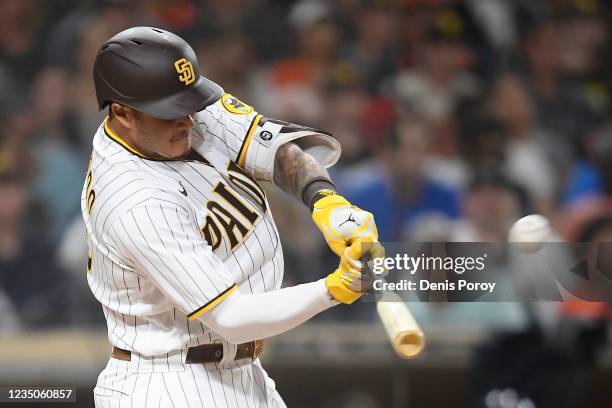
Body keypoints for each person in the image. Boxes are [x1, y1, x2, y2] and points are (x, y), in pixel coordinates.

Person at [85, 26, 382, 408]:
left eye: (188, 104)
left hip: (238, 370)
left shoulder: (177, 111)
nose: (189, 120)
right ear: (121, 112)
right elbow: (231, 316)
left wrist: (325, 201)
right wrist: (335, 288)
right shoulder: (133, 200)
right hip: (169, 382)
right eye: (170, 112)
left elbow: (276, 150)